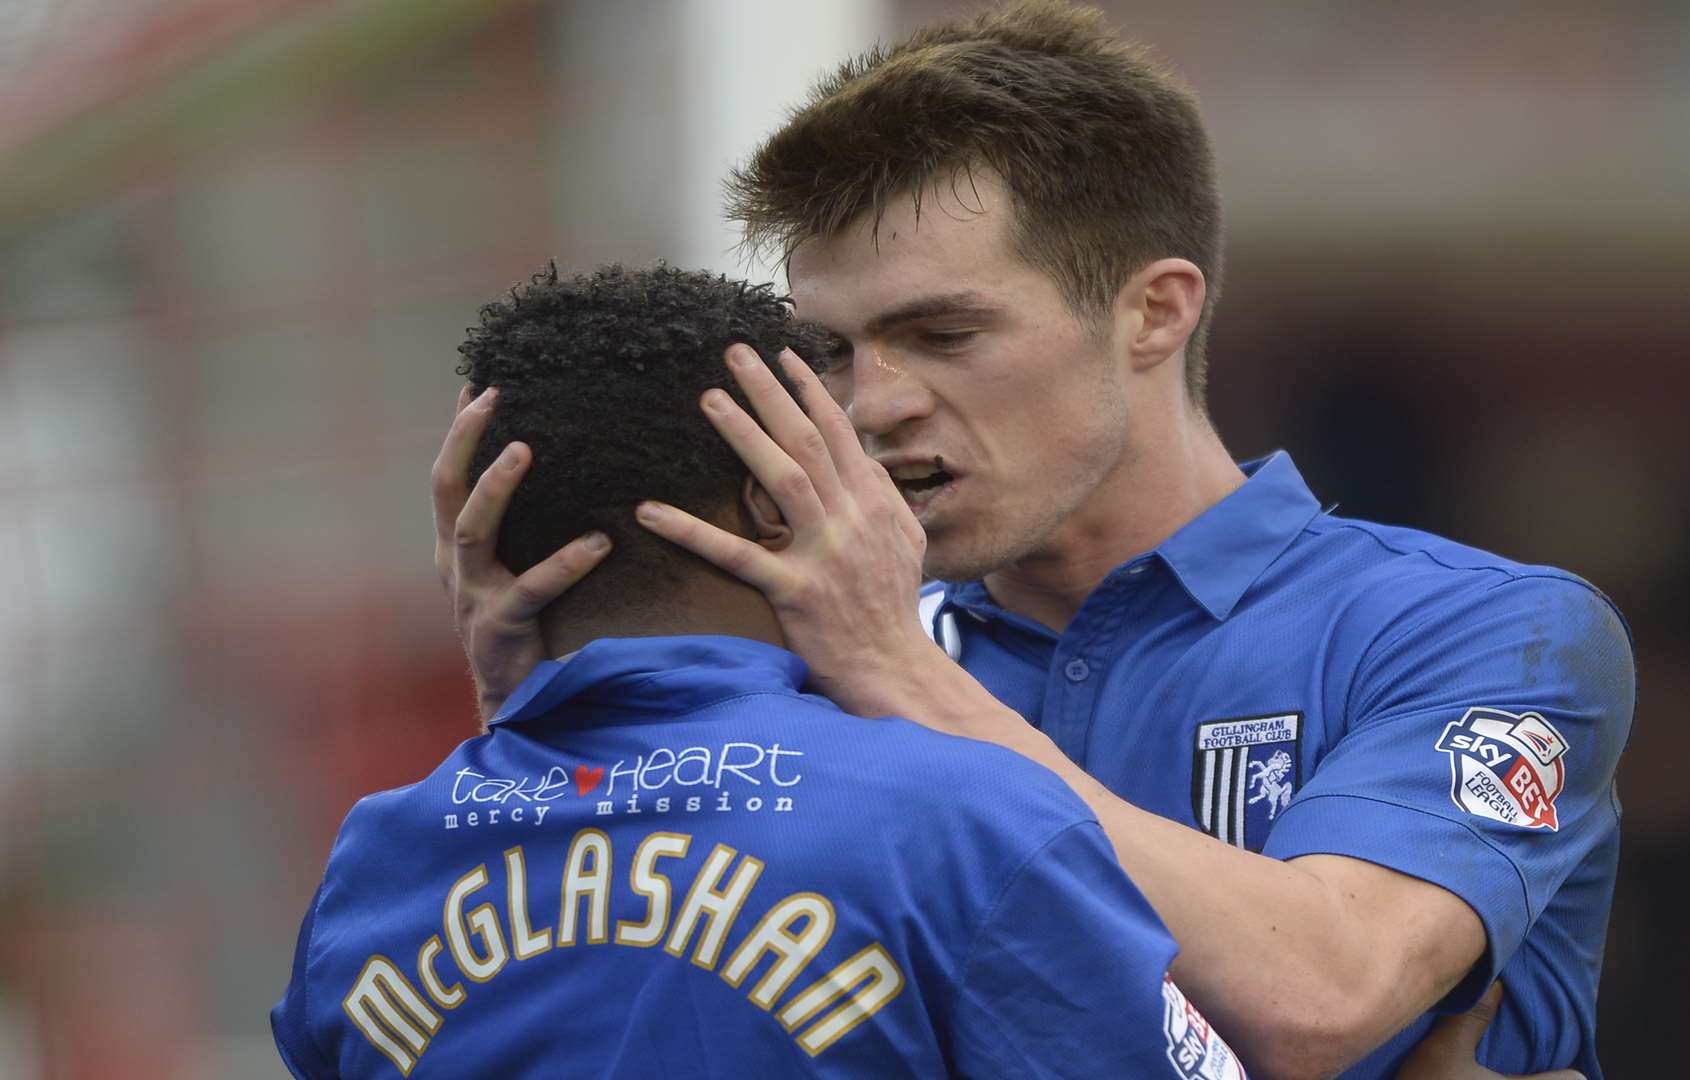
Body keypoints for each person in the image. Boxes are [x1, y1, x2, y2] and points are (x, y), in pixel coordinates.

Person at [433, 4, 1633, 1078]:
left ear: (1155, 311)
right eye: (837, 351)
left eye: (943, 332)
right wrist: (535, 719)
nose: (872, 404)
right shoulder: (813, 672)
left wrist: (897, 677)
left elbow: (1319, 997)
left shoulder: (1478, 629)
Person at [272, 263, 1255, 1078]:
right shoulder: (968, 824)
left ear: (485, 535)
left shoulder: (380, 859)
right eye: (843, 451)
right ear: (773, 501)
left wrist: (517, 718)